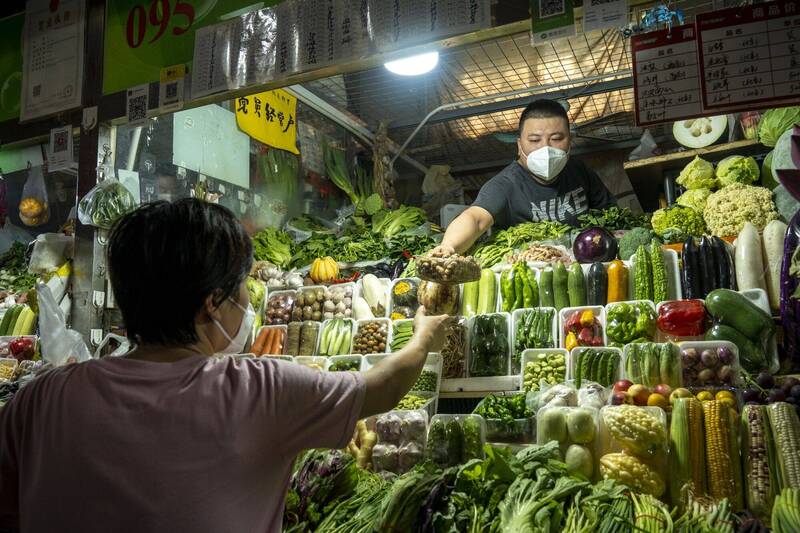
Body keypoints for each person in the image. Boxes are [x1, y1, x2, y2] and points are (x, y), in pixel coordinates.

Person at [0, 199, 448, 533]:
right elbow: (382, 389)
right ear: (211, 305)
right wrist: (425, 336)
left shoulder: (40, 398)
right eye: (242, 290)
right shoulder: (258, 390)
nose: (247, 304)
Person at [433, 99, 617, 256]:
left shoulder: (579, 171)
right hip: (529, 273)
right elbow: (475, 218)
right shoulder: (504, 185)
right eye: (535, 140)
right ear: (519, 145)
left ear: (570, 140)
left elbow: (610, 214)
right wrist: (449, 246)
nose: (546, 147)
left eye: (557, 138)